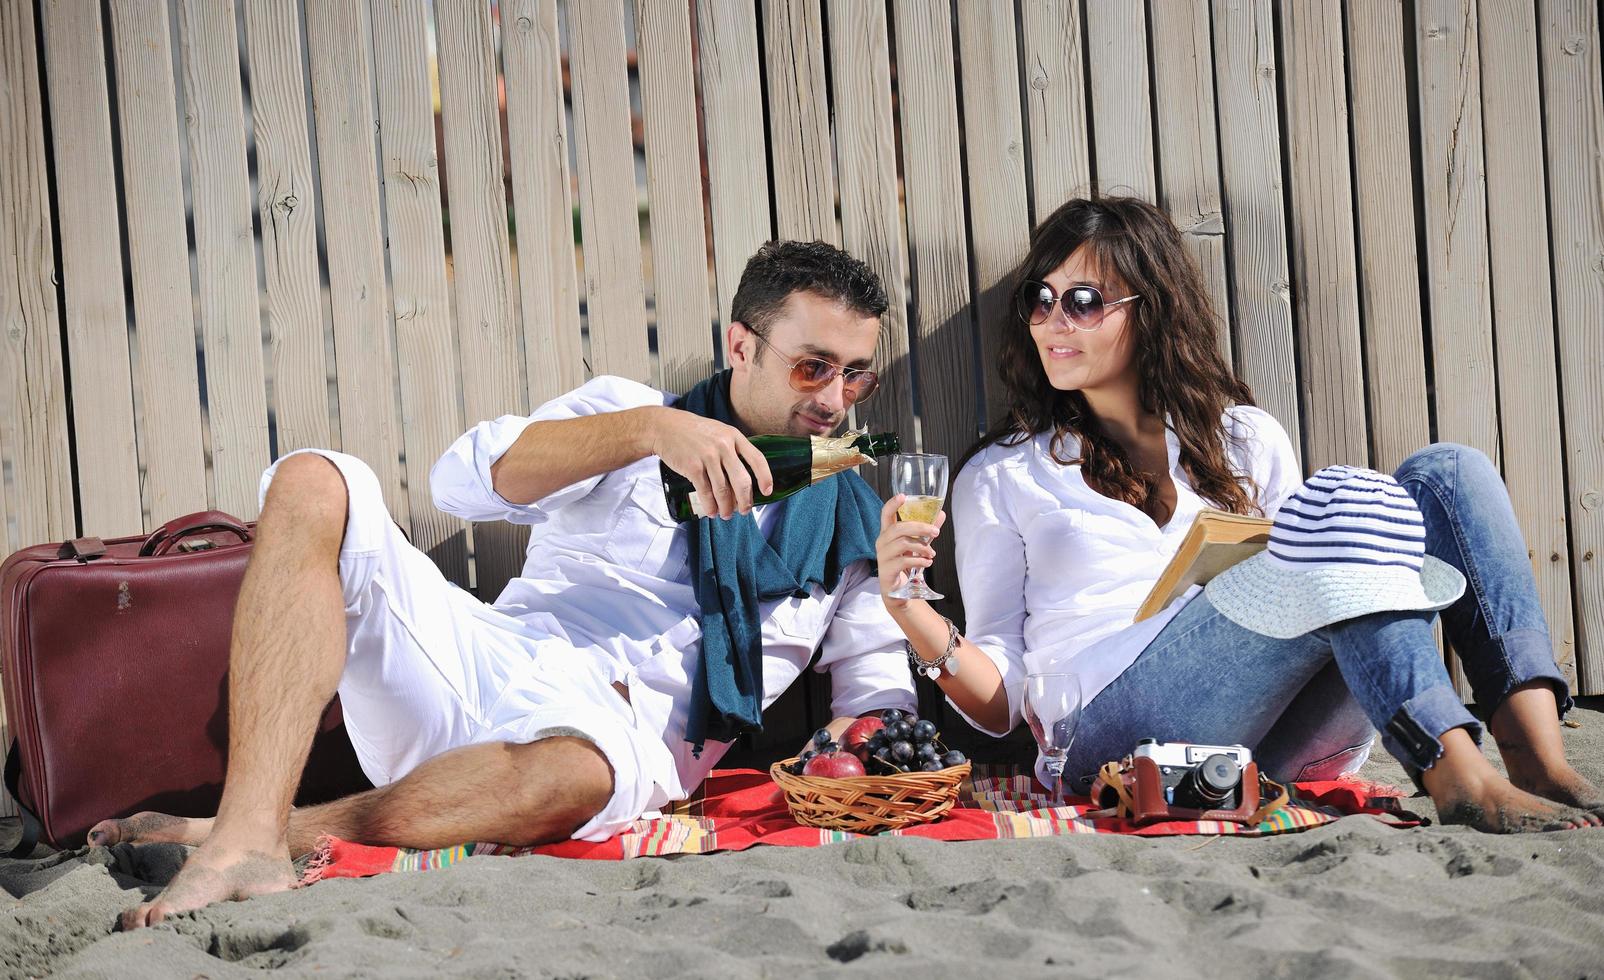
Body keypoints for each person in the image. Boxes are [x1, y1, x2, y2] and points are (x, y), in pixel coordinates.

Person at [99, 240, 918, 928]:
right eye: (814, 367)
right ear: (741, 346)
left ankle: (264, 830)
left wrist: (905, 610)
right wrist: (647, 433)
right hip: (488, 661)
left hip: (611, 741)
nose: (835, 400)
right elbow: (459, 483)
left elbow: (877, 702)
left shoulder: (850, 532)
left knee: (577, 776)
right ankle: (243, 840)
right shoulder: (633, 416)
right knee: (318, 479)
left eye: (856, 377)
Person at [876, 195, 1602, 834]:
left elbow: (1326, 584)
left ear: (1148, 310)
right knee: (1343, 507)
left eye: (1084, 301)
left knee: (1451, 474)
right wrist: (909, 609)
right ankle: (1453, 770)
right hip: (1110, 735)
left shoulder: (1246, 436)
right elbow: (1000, 707)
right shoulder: (1005, 472)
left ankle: (1535, 758)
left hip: (1282, 734)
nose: (1052, 321)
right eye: (1042, 298)